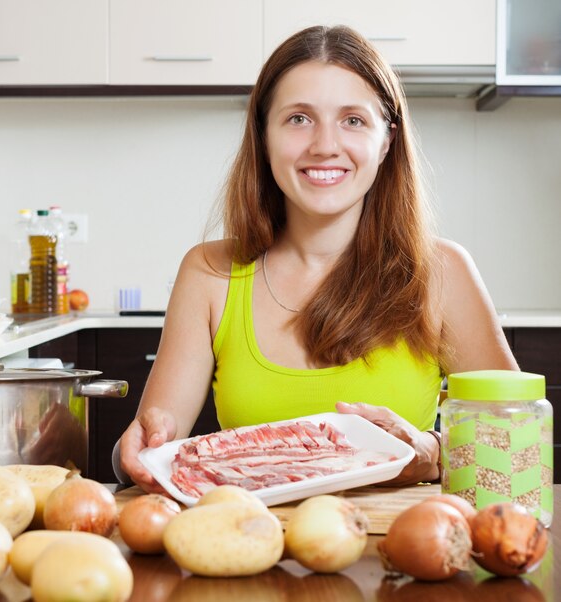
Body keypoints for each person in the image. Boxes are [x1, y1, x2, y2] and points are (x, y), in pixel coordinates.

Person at [117, 25, 518, 491]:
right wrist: (134, 449)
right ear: (263, 137)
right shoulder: (208, 274)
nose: (325, 145)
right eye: (299, 119)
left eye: (352, 120)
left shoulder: (441, 273)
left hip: (404, 547)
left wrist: (432, 453)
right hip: (249, 548)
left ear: (386, 141)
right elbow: (151, 451)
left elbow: (513, 448)